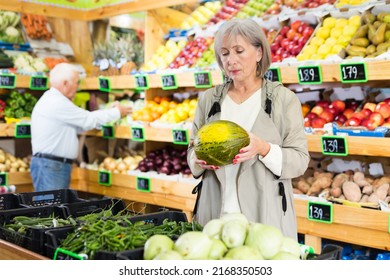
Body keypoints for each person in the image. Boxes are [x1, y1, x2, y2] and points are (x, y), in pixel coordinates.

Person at [187, 18, 310, 240]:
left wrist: (263, 148)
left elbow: (300, 160)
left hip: (264, 219)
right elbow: (192, 150)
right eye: (224, 53)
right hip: (215, 218)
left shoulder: (284, 100)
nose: (231, 60)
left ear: (259, 53)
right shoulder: (208, 100)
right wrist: (197, 158)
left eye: (239, 51)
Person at [30, 63, 132, 192]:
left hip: (53, 166)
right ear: (65, 83)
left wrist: (107, 113)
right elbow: (87, 120)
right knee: (51, 208)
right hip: (51, 166)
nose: (78, 87)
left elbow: (78, 126)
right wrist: (117, 112)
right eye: (76, 83)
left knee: (53, 207)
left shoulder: (53, 100)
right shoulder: (57, 103)